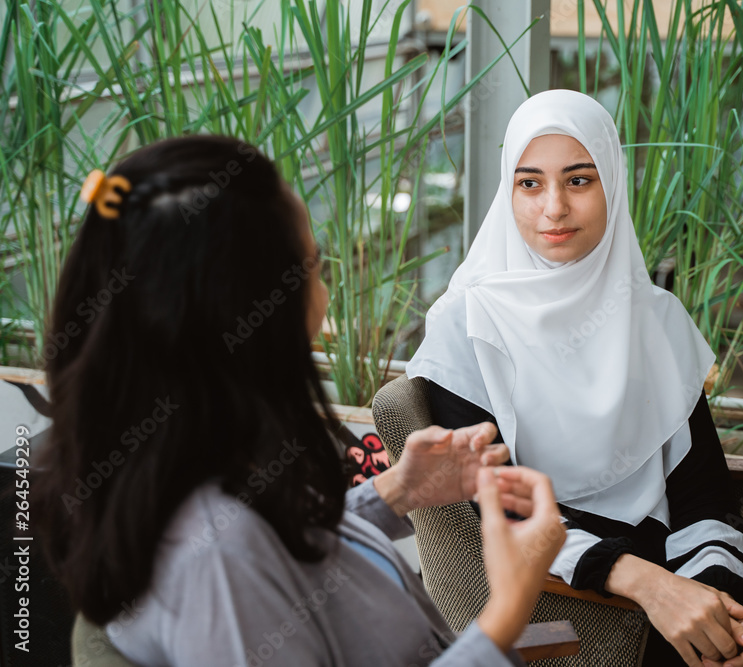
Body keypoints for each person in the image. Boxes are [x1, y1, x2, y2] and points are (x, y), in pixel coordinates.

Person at [34, 135, 566, 666]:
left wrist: (395, 492)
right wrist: (507, 609)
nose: (324, 289)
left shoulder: (185, 457)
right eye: (310, 267)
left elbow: (279, 546)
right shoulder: (217, 561)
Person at [407, 89, 743, 667]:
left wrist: (722, 598)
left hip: (691, 549)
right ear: (509, 191)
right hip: (581, 584)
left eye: (579, 180)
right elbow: (499, 508)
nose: (553, 207)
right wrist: (654, 586)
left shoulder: (652, 315)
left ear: (613, 185)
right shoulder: (466, 324)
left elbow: (701, 489)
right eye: (530, 183)